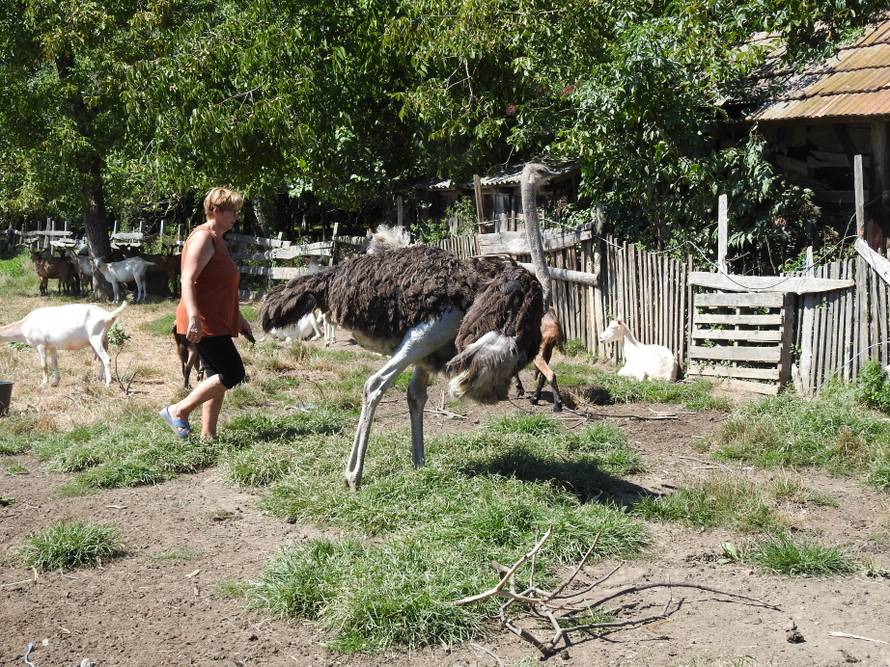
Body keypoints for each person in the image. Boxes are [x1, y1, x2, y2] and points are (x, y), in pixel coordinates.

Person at [160, 187, 253, 439]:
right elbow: (187, 280)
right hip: (203, 320)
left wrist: (240, 317)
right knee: (233, 373)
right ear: (215, 211)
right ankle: (178, 410)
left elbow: (221, 285)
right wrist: (193, 317)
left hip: (218, 319)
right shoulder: (203, 238)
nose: (236, 216)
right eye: (232, 211)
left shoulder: (218, 239)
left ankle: (208, 435)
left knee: (215, 375)